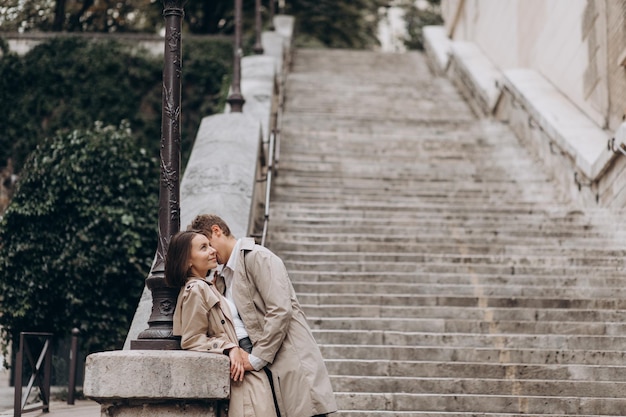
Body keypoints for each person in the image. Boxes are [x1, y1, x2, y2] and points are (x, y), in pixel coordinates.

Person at [190, 214, 338, 417]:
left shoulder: (258, 256)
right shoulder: (224, 277)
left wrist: (257, 358)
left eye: (208, 244)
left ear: (217, 231)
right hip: (269, 374)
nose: (211, 252)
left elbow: (280, 310)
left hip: (291, 366)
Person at [166, 230, 278, 417]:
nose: (212, 251)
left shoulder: (208, 285)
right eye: (203, 248)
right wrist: (229, 347)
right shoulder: (195, 289)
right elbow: (192, 340)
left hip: (246, 361)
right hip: (239, 365)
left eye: (209, 245)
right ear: (187, 261)